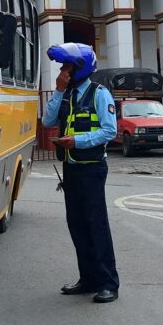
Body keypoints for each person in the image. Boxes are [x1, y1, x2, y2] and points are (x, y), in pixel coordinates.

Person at [43, 42, 120, 304]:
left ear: (79, 68)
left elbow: (110, 131)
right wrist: (57, 91)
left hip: (92, 168)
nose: (62, 71)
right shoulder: (65, 94)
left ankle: (108, 283)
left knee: (96, 225)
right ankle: (88, 279)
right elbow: (47, 121)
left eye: (66, 66)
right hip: (70, 167)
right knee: (77, 225)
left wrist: (78, 141)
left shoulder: (100, 94)